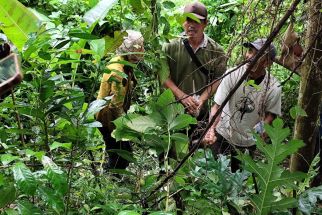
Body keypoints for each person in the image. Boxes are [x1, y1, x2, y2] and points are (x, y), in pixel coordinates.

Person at [203, 38, 282, 172]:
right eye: (250, 51)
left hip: (247, 141)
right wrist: (210, 130)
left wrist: (261, 133)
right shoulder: (233, 74)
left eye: (256, 54)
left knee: (239, 181)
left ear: (267, 62)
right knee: (211, 172)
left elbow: (270, 116)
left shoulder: (273, 86)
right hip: (223, 132)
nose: (249, 56)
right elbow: (217, 107)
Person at [162, 1, 227, 139]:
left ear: (205, 23)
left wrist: (201, 100)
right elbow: (163, 76)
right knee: (171, 151)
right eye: (188, 20)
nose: (191, 25)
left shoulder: (216, 51)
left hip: (200, 112)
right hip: (172, 112)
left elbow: (218, 78)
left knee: (196, 149)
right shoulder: (169, 46)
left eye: (197, 21)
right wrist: (182, 96)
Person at [96, 30, 144, 170]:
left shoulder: (122, 61)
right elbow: (114, 106)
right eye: (139, 47)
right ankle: (111, 179)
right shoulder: (118, 71)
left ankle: (112, 175)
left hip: (109, 117)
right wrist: (125, 128)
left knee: (121, 152)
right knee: (120, 155)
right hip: (107, 119)